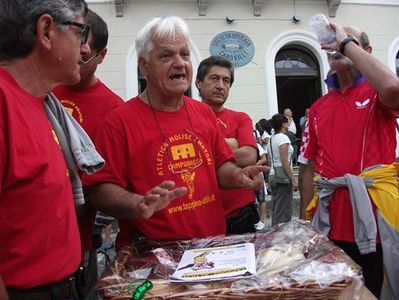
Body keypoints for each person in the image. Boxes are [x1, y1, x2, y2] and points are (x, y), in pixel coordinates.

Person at [82, 16, 266, 250]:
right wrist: (138, 203)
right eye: (166, 55)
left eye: (184, 54)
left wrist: (238, 177)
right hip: (153, 254)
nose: (179, 63)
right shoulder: (119, 122)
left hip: (211, 247)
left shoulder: (203, 113)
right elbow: (100, 192)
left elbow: (221, 167)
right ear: (144, 65)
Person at [298, 24, 399, 298]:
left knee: (378, 291)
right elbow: (306, 169)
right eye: (335, 41)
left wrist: (347, 45)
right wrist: (304, 228)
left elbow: (394, 89)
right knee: (338, 293)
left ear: (364, 51)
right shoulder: (318, 107)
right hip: (331, 221)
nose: (338, 42)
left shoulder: (377, 93)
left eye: (349, 39)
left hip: (377, 222)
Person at [0, 0, 90, 298]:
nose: (86, 49)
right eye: (81, 32)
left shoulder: (42, 104)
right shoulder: (4, 104)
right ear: (47, 31)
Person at [53, 9, 124, 299]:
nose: (74, 60)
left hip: (79, 238)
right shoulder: (45, 86)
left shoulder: (114, 109)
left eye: (84, 56)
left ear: (101, 55)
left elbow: (107, 181)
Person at [195, 56, 260, 234]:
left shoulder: (240, 118)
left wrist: (203, 151)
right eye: (214, 78)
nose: (221, 86)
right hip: (200, 216)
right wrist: (231, 144)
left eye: (226, 81)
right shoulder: (187, 118)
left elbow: (249, 156)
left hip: (240, 216)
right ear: (199, 83)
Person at [267, 114, 298, 226]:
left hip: (272, 174)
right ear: (283, 124)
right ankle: (281, 234)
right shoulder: (283, 138)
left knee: (276, 207)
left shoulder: (271, 139)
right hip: (282, 176)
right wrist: (293, 179)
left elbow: (269, 160)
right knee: (284, 209)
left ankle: (275, 231)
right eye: (287, 122)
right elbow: (284, 161)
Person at [254, 142, 268, 230]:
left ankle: (262, 220)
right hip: (246, 176)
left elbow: (264, 158)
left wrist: (256, 164)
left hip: (258, 175)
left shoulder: (257, 145)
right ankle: (255, 219)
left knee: (261, 198)